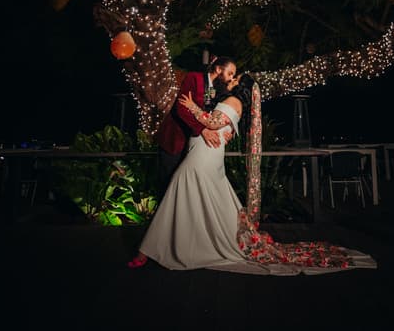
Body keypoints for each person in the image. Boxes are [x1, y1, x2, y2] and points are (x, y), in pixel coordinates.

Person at [127, 74, 377, 274]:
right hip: (206, 155)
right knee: (195, 196)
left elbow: (213, 124)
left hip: (203, 157)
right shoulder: (232, 102)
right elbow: (219, 125)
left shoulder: (233, 102)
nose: (231, 79)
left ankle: (149, 251)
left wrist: (192, 107)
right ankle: (175, 246)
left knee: (178, 190)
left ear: (241, 88)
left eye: (235, 78)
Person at [153, 56, 237, 200]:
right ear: (218, 69)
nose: (231, 78)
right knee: (168, 186)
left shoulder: (219, 91)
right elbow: (181, 108)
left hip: (196, 146)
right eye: (230, 73)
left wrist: (229, 131)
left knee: (186, 188)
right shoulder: (194, 78)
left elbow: (221, 114)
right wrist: (203, 130)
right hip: (176, 139)